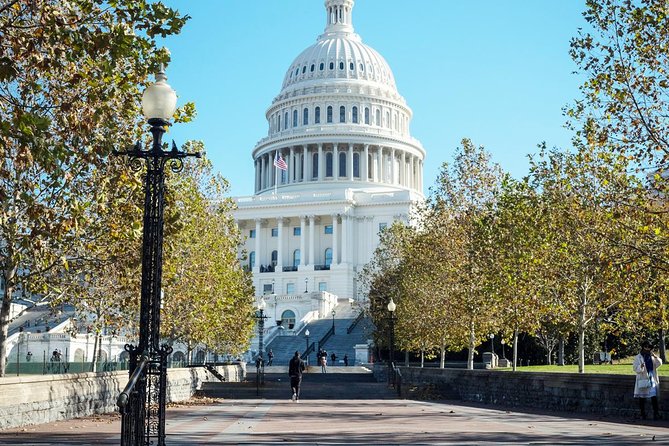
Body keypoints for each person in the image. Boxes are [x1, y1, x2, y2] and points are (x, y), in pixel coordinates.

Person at [633, 341, 662, 420]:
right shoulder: (638, 357)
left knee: (653, 396)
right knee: (642, 397)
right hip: (643, 378)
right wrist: (641, 366)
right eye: (646, 346)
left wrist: (655, 357)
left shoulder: (652, 356)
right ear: (643, 347)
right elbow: (635, 368)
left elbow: (659, 364)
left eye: (649, 347)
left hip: (651, 378)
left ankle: (656, 413)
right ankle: (642, 414)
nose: (647, 348)